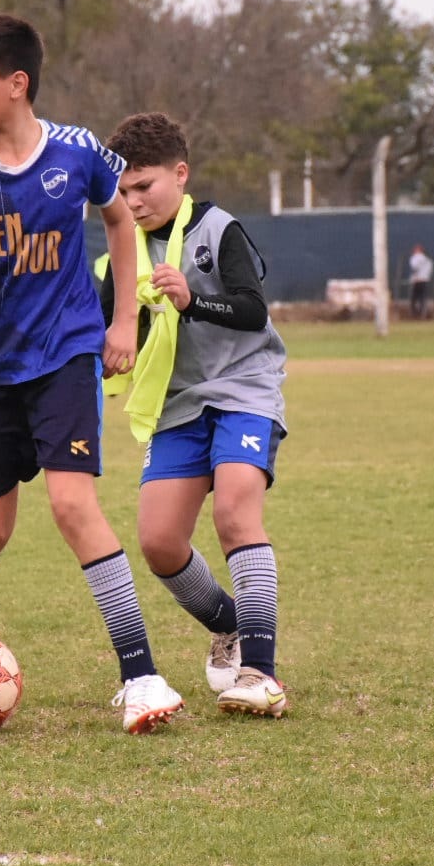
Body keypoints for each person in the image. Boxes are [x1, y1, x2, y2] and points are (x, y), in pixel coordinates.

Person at [0, 13, 185, 734]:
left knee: (71, 505)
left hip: (65, 356)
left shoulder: (80, 152)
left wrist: (121, 322)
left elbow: (121, 223)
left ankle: (141, 677)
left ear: (15, 83)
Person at [98, 111, 290, 718]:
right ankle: (233, 625)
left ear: (180, 175)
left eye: (145, 186)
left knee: (236, 509)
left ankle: (261, 672)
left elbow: (253, 312)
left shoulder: (216, 228)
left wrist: (192, 298)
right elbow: (104, 333)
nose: (132, 202)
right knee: (159, 543)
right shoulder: (120, 253)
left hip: (243, 390)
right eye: (123, 192)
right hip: (177, 406)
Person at [407, 243, 434, 319]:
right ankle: (423, 314)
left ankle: (414, 314)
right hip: (425, 280)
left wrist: (414, 277)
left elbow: (414, 268)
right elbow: (430, 270)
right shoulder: (428, 260)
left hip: (416, 281)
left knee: (414, 298)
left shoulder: (414, 258)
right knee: (423, 298)